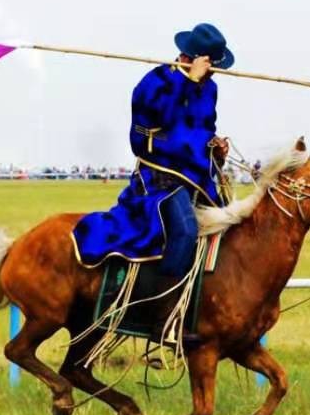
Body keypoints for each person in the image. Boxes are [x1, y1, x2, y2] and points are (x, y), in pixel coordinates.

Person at [72, 23, 234, 279]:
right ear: (194, 59)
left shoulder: (210, 89)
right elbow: (162, 125)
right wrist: (189, 81)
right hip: (161, 178)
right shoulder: (156, 82)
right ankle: (162, 303)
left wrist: (215, 146)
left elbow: (202, 128)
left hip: (198, 178)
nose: (213, 74)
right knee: (184, 230)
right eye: (211, 66)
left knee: (232, 226)